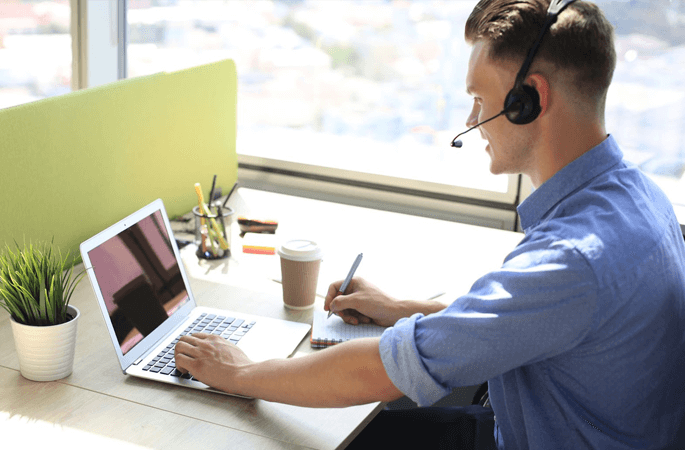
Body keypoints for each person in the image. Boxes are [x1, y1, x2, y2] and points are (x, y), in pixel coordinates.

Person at [174, 1, 685, 448]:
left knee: (285, 428)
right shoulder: (639, 198)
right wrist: (403, 311)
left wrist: (238, 372)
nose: (470, 120)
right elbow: (542, 321)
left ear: (529, 99)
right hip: (547, 421)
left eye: (480, 101)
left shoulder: (571, 259)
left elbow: (378, 374)